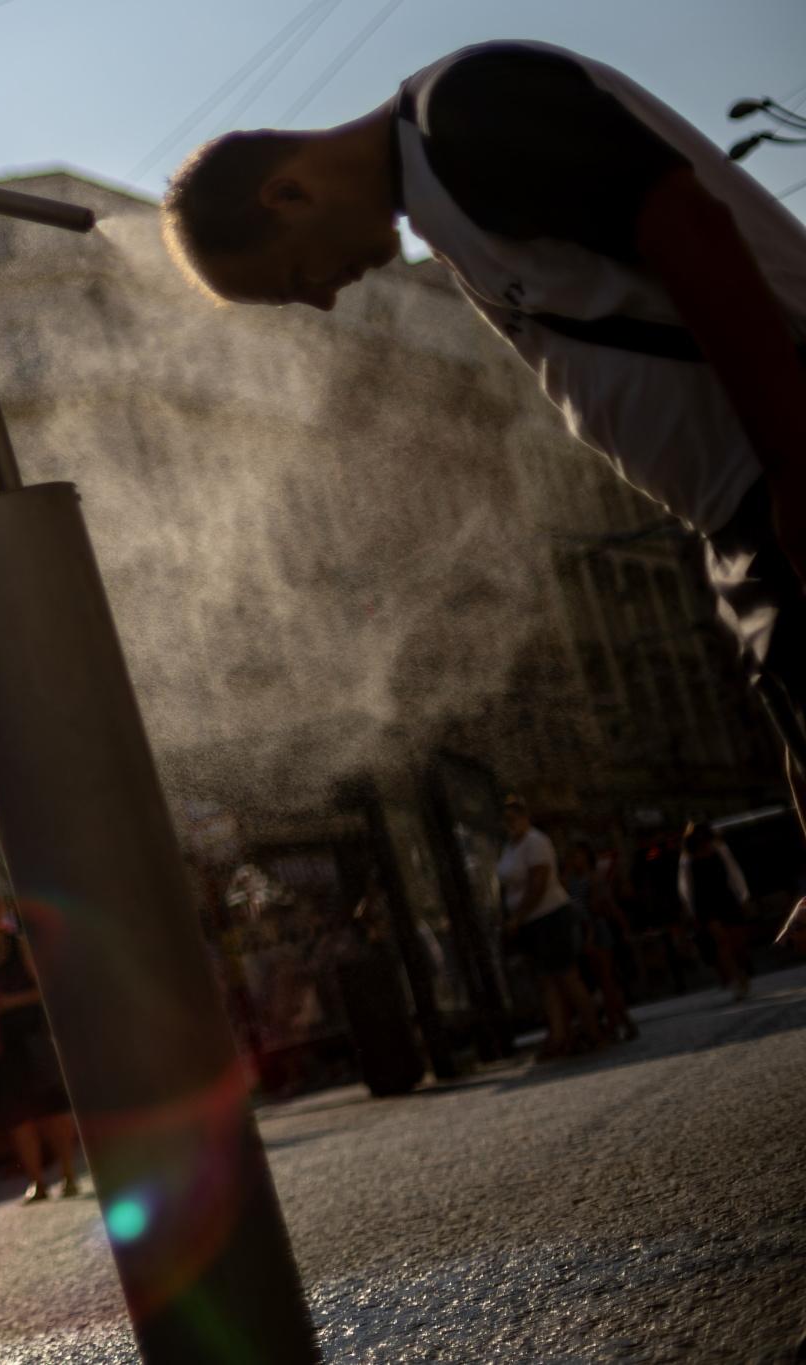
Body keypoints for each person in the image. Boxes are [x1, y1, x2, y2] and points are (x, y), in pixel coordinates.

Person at [159, 42, 806, 879]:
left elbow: (689, 230)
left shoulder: (464, 115)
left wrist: (792, 467)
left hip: (774, 478)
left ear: (287, 192)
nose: (323, 297)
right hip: (745, 508)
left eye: (295, 277)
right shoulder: (443, 196)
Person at [0, 885, 81, 1203]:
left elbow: (45, 989)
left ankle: (68, 1173)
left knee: (51, 1109)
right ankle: (36, 1180)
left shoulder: (19, 945)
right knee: (17, 1115)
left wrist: (11, 1002)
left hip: (31, 1034)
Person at [495, 799, 603, 1059]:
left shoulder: (535, 841)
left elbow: (538, 882)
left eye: (513, 818)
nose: (510, 824)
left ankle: (594, 1032)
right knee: (547, 982)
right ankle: (559, 1036)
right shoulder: (510, 846)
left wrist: (518, 917)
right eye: (505, 820)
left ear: (525, 817)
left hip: (550, 916)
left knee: (567, 977)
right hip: (533, 923)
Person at [565, 841, 639, 1041]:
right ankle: (623, 1022)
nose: (575, 860)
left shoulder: (594, 879)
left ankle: (616, 1024)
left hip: (597, 931)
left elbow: (603, 907)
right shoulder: (570, 881)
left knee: (607, 982)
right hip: (582, 933)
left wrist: (622, 929)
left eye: (578, 855)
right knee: (603, 983)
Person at [679, 822, 755, 1001]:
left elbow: (733, 871)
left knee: (737, 942)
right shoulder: (688, 858)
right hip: (705, 904)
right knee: (721, 942)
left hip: (726, 898)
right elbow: (686, 885)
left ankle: (742, 970)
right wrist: (690, 910)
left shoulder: (719, 850)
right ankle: (736, 979)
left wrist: (743, 895)